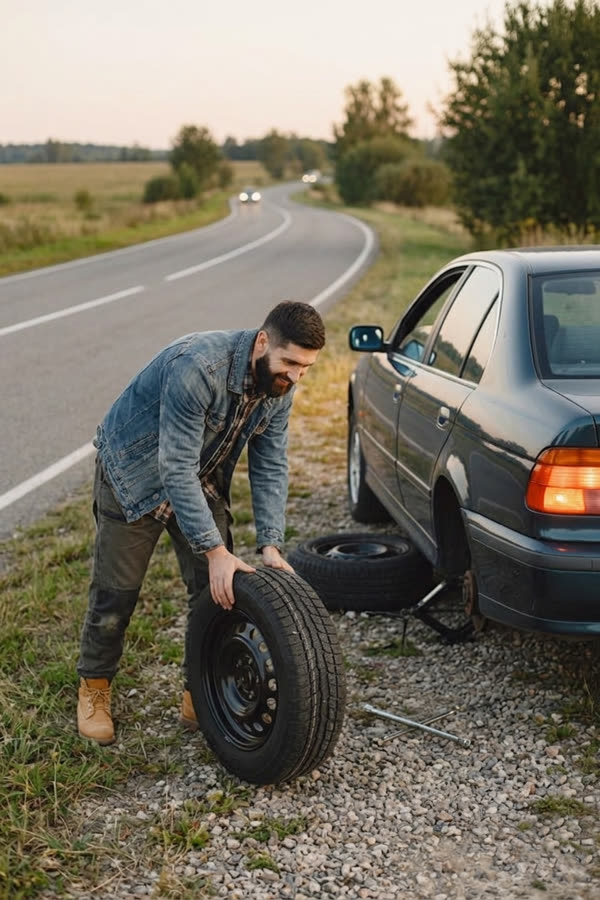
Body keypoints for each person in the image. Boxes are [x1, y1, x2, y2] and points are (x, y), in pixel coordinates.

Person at [76, 301, 325, 745]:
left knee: (217, 594)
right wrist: (215, 550)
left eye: (306, 368)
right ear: (263, 342)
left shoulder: (281, 387)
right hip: (134, 474)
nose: (295, 377)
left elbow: (270, 465)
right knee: (117, 595)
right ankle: (94, 686)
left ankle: (200, 689)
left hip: (199, 474)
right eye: (289, 363)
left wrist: (270, 544)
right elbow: (173, 469)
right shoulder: (199, 367)